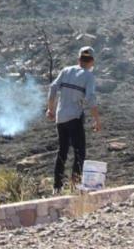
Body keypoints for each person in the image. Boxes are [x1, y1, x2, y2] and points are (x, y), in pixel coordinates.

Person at [46, 46, 102, 194]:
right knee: (79, 153)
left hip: (60, 118)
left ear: (79, 59)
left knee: (62, 151)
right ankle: (75, 187)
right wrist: (97, 120)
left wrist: (50, 109)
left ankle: (57, 187)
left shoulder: (66, 71)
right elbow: (90, 98)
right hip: (75, 118)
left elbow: (52, 88)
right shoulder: (89, 76)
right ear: (92, 61)